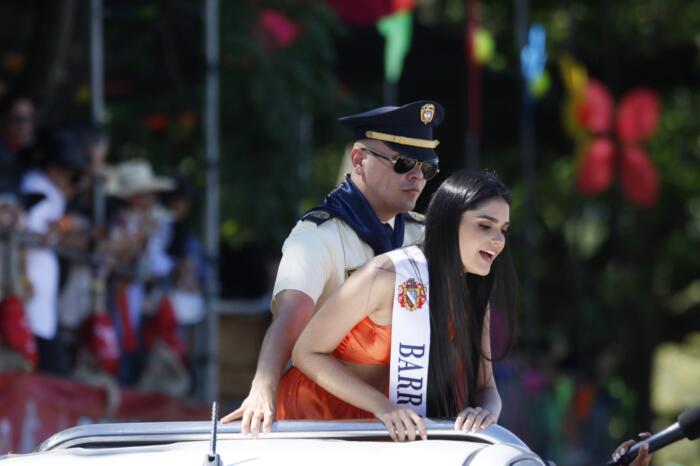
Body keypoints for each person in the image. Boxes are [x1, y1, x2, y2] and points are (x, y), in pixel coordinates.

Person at [222, 100, 445, 434]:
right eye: (404, 163)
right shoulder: (318, 234)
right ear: (359, 160)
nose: (416, 175)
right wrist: (262, 389)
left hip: (396, 411)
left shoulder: (422, 235)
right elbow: (291, 316)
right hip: (318, 413)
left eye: (426, 166)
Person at [286, 170, 517, 441]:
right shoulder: (387, 275)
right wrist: (381, 406)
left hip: (384, 427)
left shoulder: (474, 297)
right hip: (310, 419)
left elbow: (487, 388)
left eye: (503, 230)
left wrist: (485, 412)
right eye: (485, 225)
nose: (498, 241)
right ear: (449, 222)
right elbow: (306, 353)